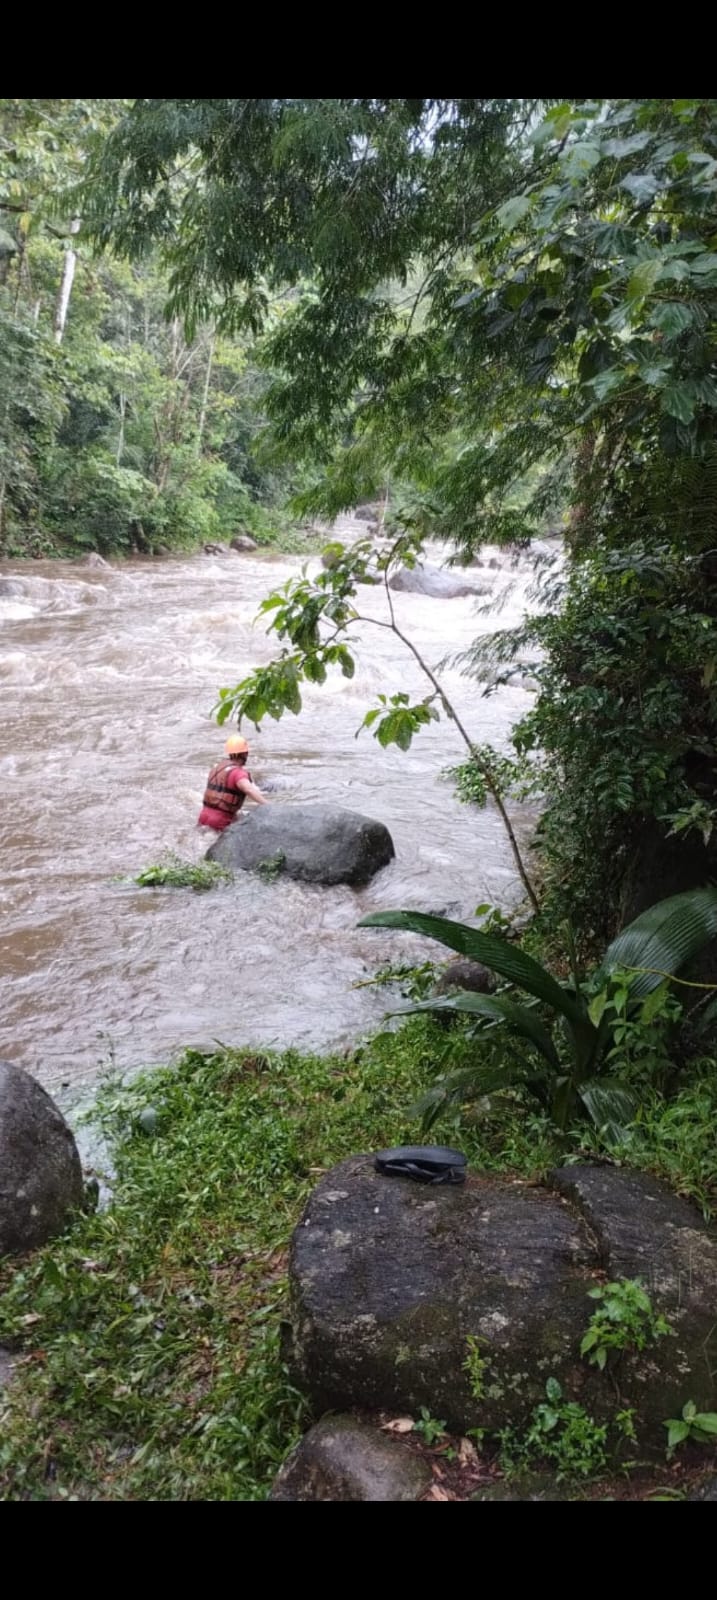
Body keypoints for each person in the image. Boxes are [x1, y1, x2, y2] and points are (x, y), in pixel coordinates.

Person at [197, 735, 269, 831]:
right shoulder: (238, 773)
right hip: (220, 821)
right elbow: (249, 789)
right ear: (244, 754)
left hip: (203, 817)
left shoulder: (216, 769)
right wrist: (269, 806)